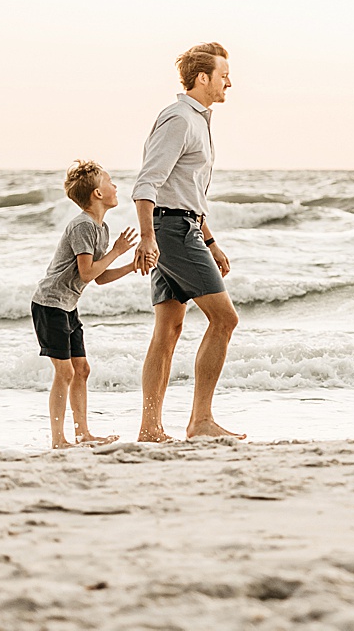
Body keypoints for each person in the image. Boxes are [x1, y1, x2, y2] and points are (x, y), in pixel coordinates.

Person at [131, 42, 242, 442]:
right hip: (171, 231)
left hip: (183, 227)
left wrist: (210, 241)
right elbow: (147, 183)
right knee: (225, 318)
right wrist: (148, 237)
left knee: (169, 329)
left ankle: (150, 428)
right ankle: (201, 421)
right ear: (203, 78)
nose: (230, 81)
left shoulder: (198, 120)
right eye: (223, 74)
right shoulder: (179, 118)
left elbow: (186, 189)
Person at [30, 161, 139, 448]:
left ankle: (83, 433)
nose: (115, 186)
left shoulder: (100, 228)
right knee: (65, 372)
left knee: (82, 370)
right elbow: (87, 273)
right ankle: (58, 440)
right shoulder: (82, 226)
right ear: (97, 194)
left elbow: (99, 278)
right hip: (50, 304)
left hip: (67, 306)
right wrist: (117, 251)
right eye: (110, 181)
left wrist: (130, 265)